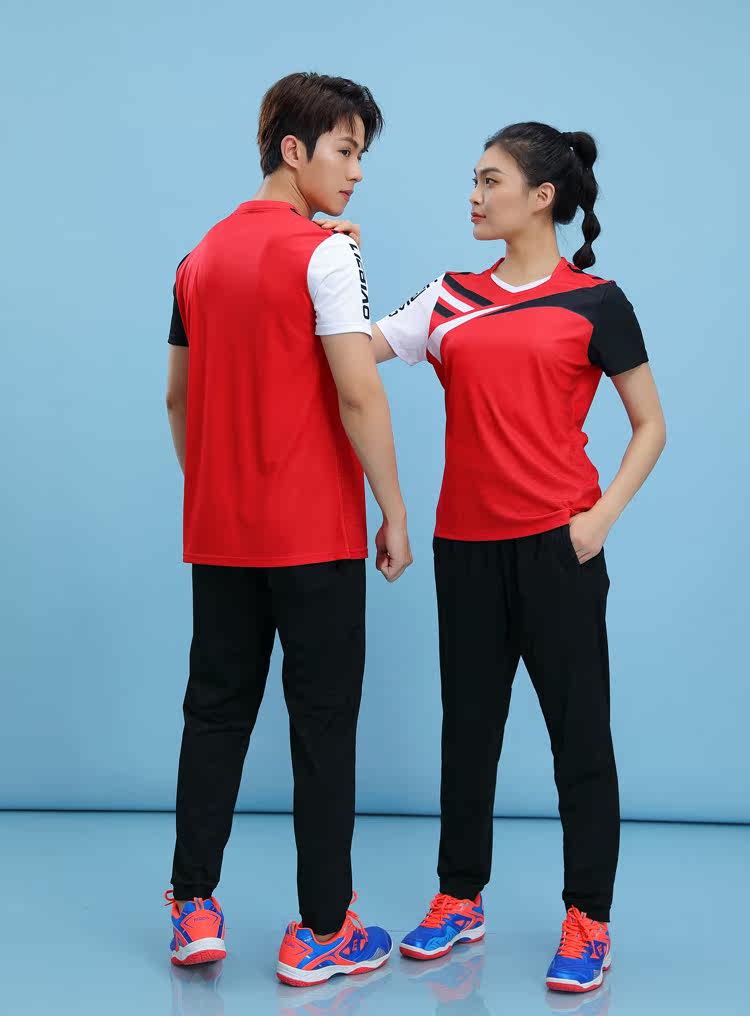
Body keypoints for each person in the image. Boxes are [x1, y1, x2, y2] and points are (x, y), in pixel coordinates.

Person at [323, 120, 666, 994]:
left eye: (490, 180)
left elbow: (650, 425)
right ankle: (459, 896)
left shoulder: (597, 302)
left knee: (579, 738)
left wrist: (598, 521)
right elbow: (351, 350)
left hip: (559, 548)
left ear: (542, 197)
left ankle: (588, 918)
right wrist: (336, 261)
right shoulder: (447, 298)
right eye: (474, 180)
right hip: (466, 551)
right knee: (468, 733)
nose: (474, 196)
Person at [164, 72, 412, 987]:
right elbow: (359, 391)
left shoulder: (196, 260)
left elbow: (178, 399)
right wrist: (392, 509)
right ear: (294, 150)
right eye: (345, 151)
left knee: (214, 714)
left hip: (220, 535)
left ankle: (193, 906)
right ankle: (321, 931)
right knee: (323, 728)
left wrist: (216, 489)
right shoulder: (327, 258)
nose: (356, 173)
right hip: (313, 538)